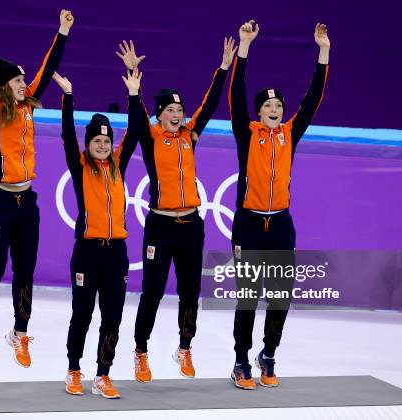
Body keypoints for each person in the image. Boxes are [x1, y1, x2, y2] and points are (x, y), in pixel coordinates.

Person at [116, 38, 237, 381]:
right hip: (160, 226)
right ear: (159, 114)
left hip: (191, 226)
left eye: (180, 110)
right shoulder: (151, 137)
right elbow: (137, 113)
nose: (177, 114)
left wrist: (224, 66)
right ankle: (141, 351)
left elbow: (211, 104)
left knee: (190, 291)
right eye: (171, 110)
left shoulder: (190, 134)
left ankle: (185, 347)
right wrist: (132, 78)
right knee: (152, 292)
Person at [0, 10, 74, 370]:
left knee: (25, 271)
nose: (24, 84)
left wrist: (61, 31)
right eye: (18, 81)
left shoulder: (28, 106)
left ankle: (20, 332)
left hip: (26, 200)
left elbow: (47, 66)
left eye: (25, 80)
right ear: (4, 85)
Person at [227, 20, 330, 389]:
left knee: (279, 297)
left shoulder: (289, 133)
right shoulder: (247, 133)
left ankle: (268, 354)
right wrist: (244, 46)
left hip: (281, 224)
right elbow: (236, 93)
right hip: (250, 224)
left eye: (278, 105)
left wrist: (323, 51)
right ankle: (241, 361)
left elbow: (312, 99)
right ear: (258, 112)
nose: (274, 108)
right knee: (248, 298)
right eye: (268, 105)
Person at [52, 69, 143, 398]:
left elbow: (133, 135)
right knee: (82, 313)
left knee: (113, 317)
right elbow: (65, 135)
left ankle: (103, 374)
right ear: (88, 144)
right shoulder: (79, 167)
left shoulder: (119, 163)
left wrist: (134, 95)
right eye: (96, 141)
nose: (103, 146)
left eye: (106, 141)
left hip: (116, 253)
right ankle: (74, 369)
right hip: (87, 252)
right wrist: (68, 97)